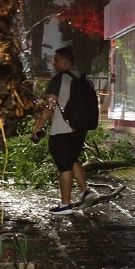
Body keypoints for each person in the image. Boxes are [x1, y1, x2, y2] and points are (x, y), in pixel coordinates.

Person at [32, 47, 90, 216]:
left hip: (61, 130)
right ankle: (86, 192)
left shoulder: (58, 79)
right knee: (73, 159)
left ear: (64, 61)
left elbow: (50, 106)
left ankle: (65, 205)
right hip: (79, 129)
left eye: (55, 59)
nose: (53, 62)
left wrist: (38, 126)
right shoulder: (81, 77)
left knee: (64, 166)